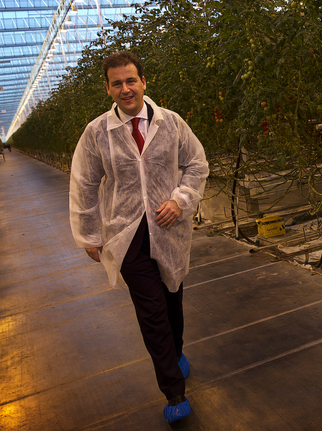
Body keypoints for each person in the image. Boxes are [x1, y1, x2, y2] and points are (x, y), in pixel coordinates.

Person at [69, 51, 209, 424]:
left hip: (168, 229)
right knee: (151, 312)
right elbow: (83, 182)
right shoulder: (97, 132)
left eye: (131, 80)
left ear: (144, 82)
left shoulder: (172, 124)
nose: (125, 89)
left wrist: (180, 200)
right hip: (127, 232)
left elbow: (196, 164)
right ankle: (173, 388)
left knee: (172, 299)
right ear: (108, 89)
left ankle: (175, 352)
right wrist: (89, 234)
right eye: (117, 83)